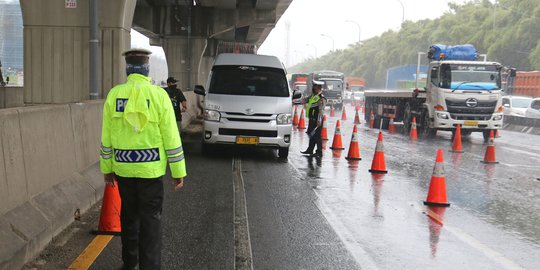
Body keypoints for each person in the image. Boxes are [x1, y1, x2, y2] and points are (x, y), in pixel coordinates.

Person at [99, 48, 187, 270]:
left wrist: (107, 168)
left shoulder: (114, 95)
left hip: (124, 171)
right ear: (147, 69)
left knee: (129, 219)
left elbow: (106, 137)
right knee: (151, 222)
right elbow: (171, 137)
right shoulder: (159, 96)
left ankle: (129, 264)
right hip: (151, 173)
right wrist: (178, 172)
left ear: (128, 69)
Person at [301, 80, 326, 157]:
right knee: (311, 134)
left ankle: (319, 152)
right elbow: (304, 100)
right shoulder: (313, 96)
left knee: (317, 136)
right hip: (312, 119)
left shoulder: (321, 98)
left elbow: (321, 111)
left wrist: (319, 120)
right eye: (313, 87)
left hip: (317, 120)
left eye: (314, 87)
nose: (313, 88)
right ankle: (310, 149)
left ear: (318, 88)